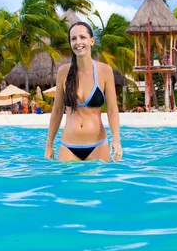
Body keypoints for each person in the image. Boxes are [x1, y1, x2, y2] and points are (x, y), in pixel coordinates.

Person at [45, 22, 122, 162]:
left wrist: (116, 140)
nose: (78, 42)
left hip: (98, 146)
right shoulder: (63, 72)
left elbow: (112, 109)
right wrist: (49, 145)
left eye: (82, 37)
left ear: (92, 41)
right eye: (73, 39)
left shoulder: (104, 71)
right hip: (68, 146)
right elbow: (57, 111)